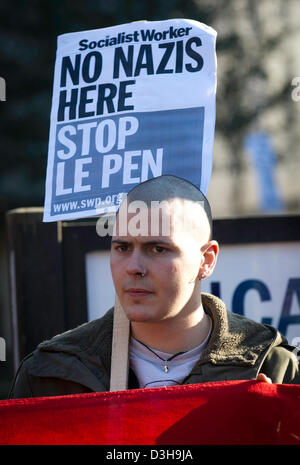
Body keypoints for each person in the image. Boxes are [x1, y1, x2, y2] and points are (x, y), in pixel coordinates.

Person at [9, 175, 300, 398]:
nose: (134, 266)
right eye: (122, 247)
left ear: (206, 260)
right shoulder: (51, 374)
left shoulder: (271, 367)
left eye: (158, 249)